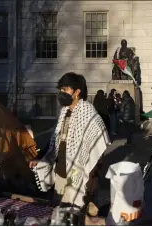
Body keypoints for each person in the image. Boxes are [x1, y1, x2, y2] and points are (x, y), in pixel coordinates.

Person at [29, 72, 110, 208]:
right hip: (60, 173)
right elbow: (55, 141)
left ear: (77, 92)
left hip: (78, 175)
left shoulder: (89, 115)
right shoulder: (64, 112)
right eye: (61, 89)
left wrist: (93, 177)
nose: (62, 93)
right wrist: (40, 158)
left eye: (65, 89)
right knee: (59, 210)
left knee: (74, 213)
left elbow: (99, 146)